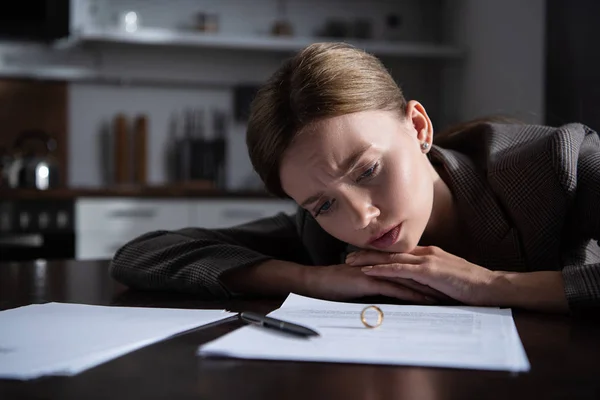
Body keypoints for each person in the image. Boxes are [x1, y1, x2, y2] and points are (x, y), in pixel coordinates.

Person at [109, 42, 600, 314]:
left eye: (368, 169)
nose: (361, 217)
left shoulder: (561, 164)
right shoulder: (322, 242)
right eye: (322, 204)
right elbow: (141, 256)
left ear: (418, 127)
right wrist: (309, 279)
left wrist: (494, 285)